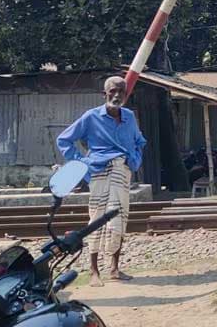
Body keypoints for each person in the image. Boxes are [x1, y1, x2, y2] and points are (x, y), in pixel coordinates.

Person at [57, 76, 146, 286]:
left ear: (126, 95)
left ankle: (115, 268)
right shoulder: (91, 117)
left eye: (121, 92)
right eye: (113, 91)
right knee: (96, 219)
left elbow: (139, 141)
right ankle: (94, 271)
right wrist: (84, 164)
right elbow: (64, 140)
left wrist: (134, 160)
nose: (117, 96)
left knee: (120, 219)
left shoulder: (129, 117)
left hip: (122, 172)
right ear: (104, 94)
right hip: (99, 172)